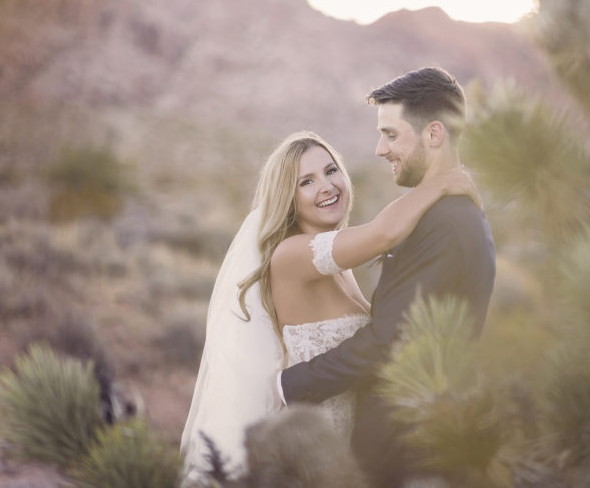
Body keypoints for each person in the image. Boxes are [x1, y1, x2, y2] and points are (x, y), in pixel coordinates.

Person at [180, 130, 477, 485]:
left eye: (331, 171)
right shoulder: (291, 255)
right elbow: (383, 234)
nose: (326, 186)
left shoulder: (338, 266)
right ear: (289, 200)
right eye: (306, 181)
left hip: (353, 449)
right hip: (314, 456)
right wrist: (441, 184)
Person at [280, 67, 497, 487]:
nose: (380, 149)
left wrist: (288, 385)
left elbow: (388, 342)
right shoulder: (442, 214)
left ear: (434, 134)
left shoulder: (446, 223)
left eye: (391, 134)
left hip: (404, 453)